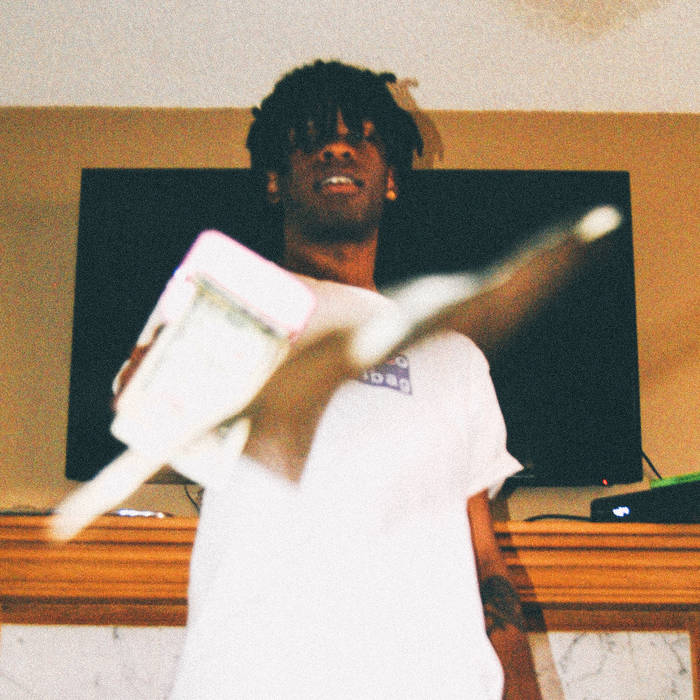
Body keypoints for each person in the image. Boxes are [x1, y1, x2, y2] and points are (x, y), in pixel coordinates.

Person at [169, 60, 541, 699]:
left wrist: (522, 683)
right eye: (313, 138)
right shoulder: (232, 315)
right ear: (274, 180)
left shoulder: (454, 356)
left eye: (361, 137)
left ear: (392, 178)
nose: (338, 148)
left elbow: (484, 558)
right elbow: (155, 425)